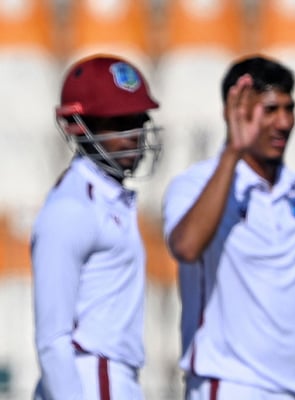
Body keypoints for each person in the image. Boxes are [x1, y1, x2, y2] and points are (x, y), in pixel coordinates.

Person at [162, 55, 295, 400]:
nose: (283, 122)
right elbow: (186, 247)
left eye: (288, 108)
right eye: (269, 110)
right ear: (232, 112)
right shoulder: (195, 184)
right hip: (229, 386)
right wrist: (232, 153)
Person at [31, 54, 162, 399]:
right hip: (91, 377)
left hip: (113, 377)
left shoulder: (108, 198)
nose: (134, 134)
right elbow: (53, 339)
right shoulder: (72, 207)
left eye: (138, 120)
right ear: (79, 125)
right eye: (119, 123)